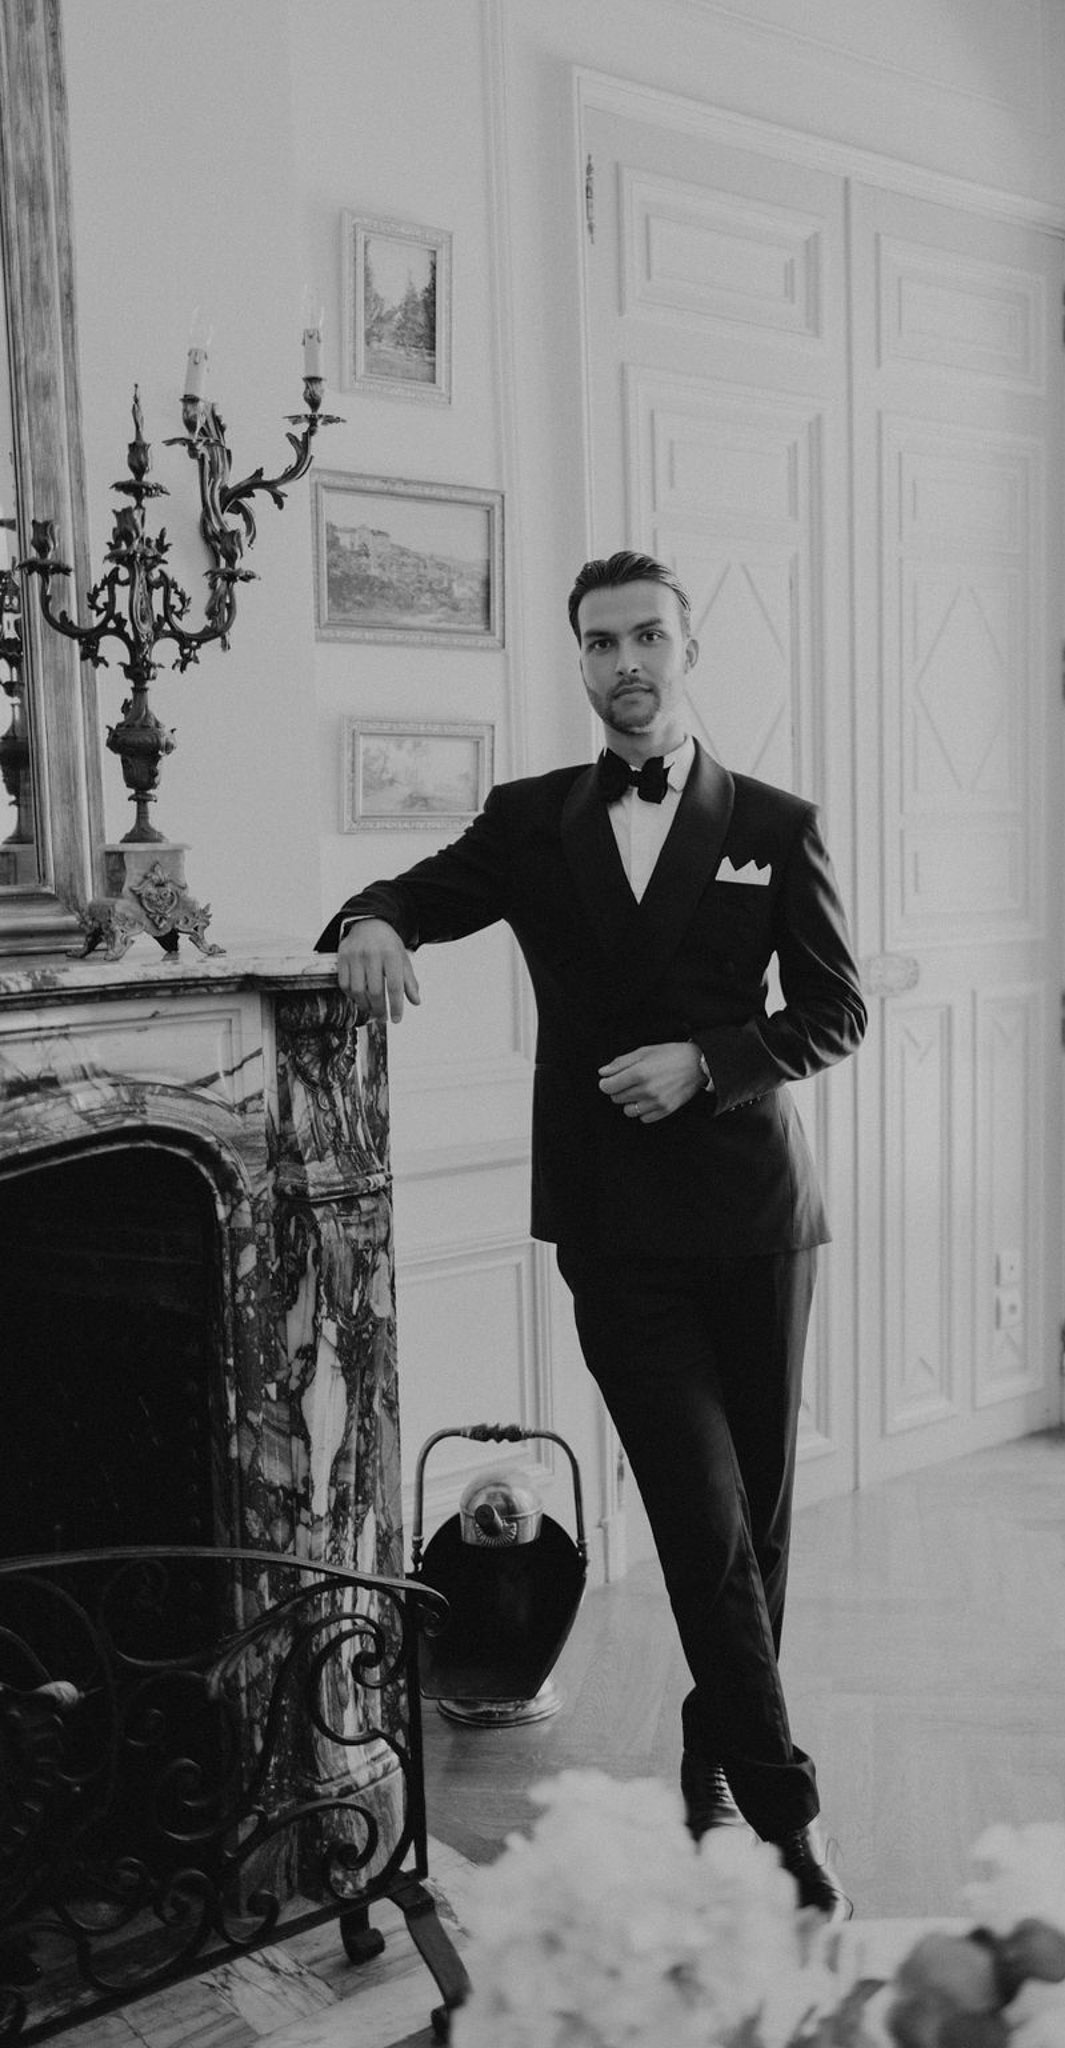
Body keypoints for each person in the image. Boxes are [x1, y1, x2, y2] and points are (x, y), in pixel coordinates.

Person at [317, 550, 867, 1917]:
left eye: (647, 638)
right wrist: (374, 923)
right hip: (614, 1235)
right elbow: (405, 894)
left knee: (761, 1524)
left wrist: (709, 1059)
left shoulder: (773, 823)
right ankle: (784, 1808)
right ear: (576, 660)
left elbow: (836, 1014)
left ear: (686, 648)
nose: (625, 665)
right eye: (599, 643)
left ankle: (713, 1738)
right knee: (701, 1518)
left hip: (754, 1223)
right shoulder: (531, 820)